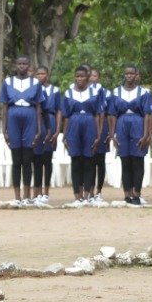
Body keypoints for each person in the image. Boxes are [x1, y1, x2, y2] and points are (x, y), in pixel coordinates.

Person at [0, 56, 46, 208]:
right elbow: (4, 107)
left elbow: (39, 107)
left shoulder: (35, 83)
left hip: (30, 116)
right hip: (13, 116)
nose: (22, 66)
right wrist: (3, 129)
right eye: (19, 63)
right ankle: (17, 196)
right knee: (16, 159)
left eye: (25, 64)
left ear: (29, 66)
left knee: (27, 159)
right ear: (15, 65)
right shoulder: (7, 82)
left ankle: (26, 196)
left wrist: (39, 129)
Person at [108, 66, 152, 206]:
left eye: (132, 73)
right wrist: (112, 134)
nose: (129, 76)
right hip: (121, 125)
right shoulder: (116, 92)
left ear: (137, 75)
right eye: (127, 73)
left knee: (137, 160)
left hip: (138, 124)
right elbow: (112, 114)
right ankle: (127, 194)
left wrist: (146, 134)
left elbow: (147, 114)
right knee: (125, 161)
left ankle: (137, 194)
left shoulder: (144, 92)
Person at [59, 66, 103, 206]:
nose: (79, 79)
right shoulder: (69, 93)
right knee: (76, 161)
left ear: (88, 77)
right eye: (77, 76)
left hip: (90, 124)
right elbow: (65, 116)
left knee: (88, 161)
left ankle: (87, 194)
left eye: (82, 76)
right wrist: (64, 135)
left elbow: (98, 115)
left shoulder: (95, 92)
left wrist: (98, 135)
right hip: (73, 125)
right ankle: (77, 194)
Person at [30, 66, 58, 206]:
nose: (41, 76)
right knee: (36, 159)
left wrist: (57, 130)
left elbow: (59, 111)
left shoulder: (55, 90)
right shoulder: (33, 90)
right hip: (35, 122)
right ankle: (36, 191)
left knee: (47, 159)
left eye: (43, 73)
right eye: (38, 74)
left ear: (47, 75)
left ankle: (46, 192)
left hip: (50, 122)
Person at [88, 67, 112, 203]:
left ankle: (98, 191)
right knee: (90, 160)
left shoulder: (106, 93)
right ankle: (89, 191)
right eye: (90, 76)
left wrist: (109, 131)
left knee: (100, 161)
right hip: (88, 126)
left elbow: (109, 114)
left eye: (95, 76)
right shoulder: (84, 92)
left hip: (102, 128)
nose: (92, 78)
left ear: (99, 78)